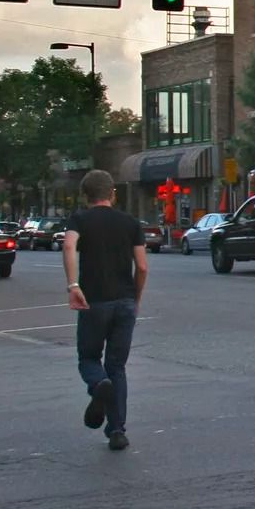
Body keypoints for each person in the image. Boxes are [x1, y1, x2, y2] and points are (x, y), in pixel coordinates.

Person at [63, 169, 147, 451]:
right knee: (117, 366)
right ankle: (117, 430)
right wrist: (135, 298)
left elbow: (69, 246)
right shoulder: (130, 223)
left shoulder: (80, 219)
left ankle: (98, 384)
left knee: (89, 357)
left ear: (85, 195)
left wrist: (73, 285)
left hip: (94, 301)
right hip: (125, 301)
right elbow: (142, 266)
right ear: (113, 193)